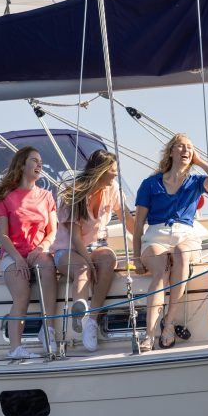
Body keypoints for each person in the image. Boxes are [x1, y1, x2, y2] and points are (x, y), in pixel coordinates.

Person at [133, 133, 208, 351]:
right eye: (181, 146)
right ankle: (148, 334)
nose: (185, 150)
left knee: (182, 254)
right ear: (171, 151)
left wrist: (199, 161)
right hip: (156, 234)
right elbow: (138, 226)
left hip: (186, 234)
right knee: (160, 268)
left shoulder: (195, 182)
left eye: (190, 148)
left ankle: (169, 323)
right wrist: (137, 258)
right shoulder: (150, 184)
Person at [51, 150, 135, 352]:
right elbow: (75, 238)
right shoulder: (74, 194)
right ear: (101, 171)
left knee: (108, 259)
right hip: (68, 249)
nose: (116, 175)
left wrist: (142, 241)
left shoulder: (113, 189)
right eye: (113, 171)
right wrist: (88, 262)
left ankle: (92, 321)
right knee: (81, 267)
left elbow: (126, 218)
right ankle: (79, 313)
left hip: (95, 247)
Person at [0, 146, 58, 359]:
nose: (39, 165)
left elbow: (52, 231)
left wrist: (41, 247)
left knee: (47, 266)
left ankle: (49, 331)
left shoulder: (46, 196)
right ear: (22, 165)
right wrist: (18, 259)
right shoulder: (6, 197)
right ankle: (15, 348)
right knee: (22, 294)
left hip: (39, 252)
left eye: (40, 161)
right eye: (34, 160)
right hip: (13, 255)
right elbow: (3, 236)